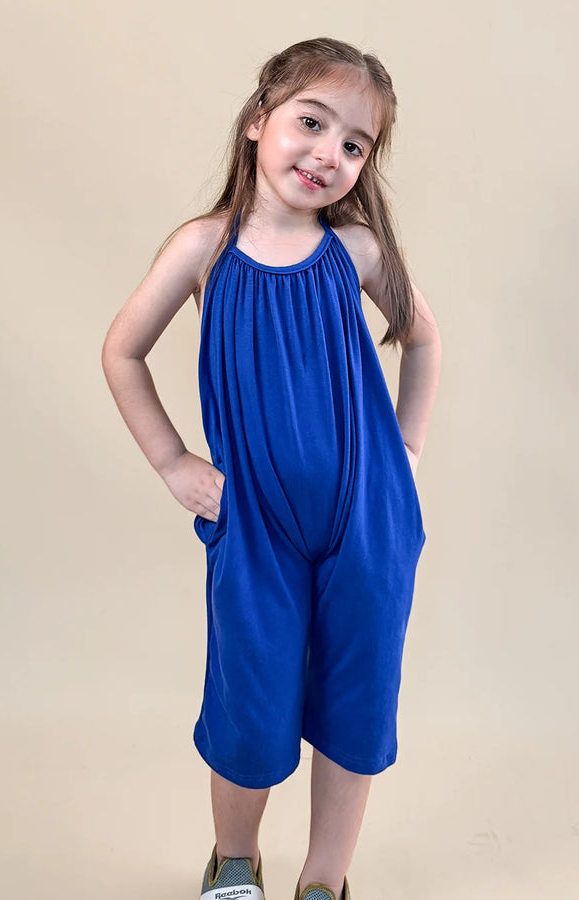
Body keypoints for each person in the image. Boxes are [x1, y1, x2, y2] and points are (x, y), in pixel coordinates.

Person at [102, 35, 442, 900]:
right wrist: (173, 461)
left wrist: (405, 451)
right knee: (249, 707)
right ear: (259, 121)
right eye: (311, 122)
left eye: (355, 144)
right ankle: (236, 862)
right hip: (253, 524)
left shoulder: (357, 252)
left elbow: (425, 339)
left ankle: (325, 880)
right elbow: (122, 353)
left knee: (356, 706)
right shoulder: (202, 248)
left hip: (368, 524)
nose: (329, 153)